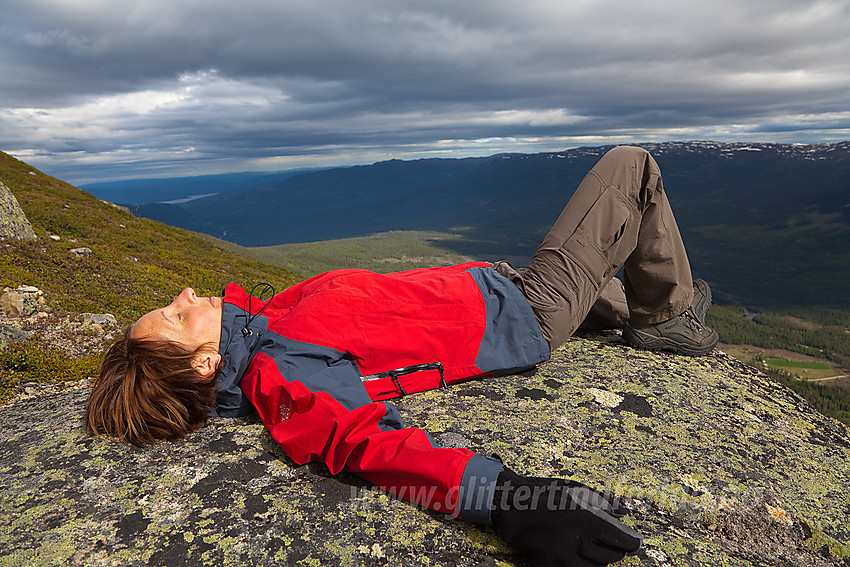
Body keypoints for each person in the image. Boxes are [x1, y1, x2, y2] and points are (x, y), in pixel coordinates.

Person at [85, 146, 718, 566]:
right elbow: (366, 445)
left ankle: (649, 303)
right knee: (631, 168)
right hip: (524, 312)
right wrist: (511, 501)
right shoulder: (282, 371)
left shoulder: (264, 329)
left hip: (500, 287)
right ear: (202, 363)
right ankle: (667, 320)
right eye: (175, 316)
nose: (185, 295)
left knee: (614, 260)